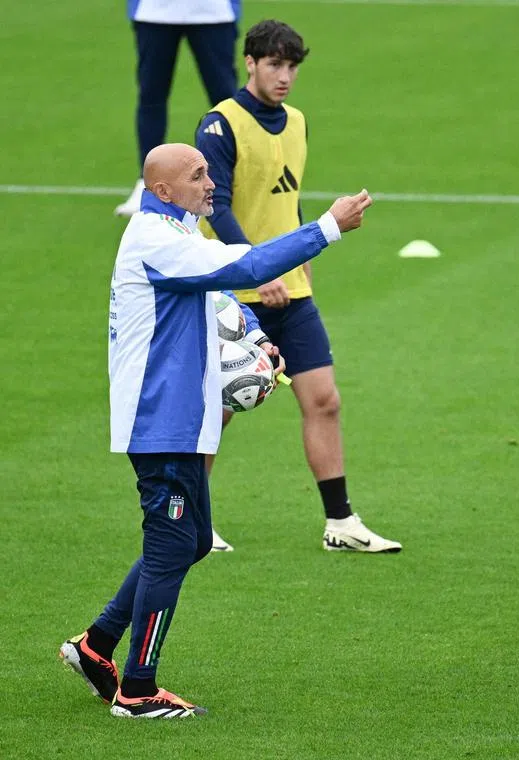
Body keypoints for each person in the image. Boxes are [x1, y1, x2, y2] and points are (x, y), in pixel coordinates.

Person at [59, 143, 372, 717]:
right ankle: (137, 689)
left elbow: (224, 291)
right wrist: (328, 227)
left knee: (192, 540)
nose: (210, 184)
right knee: (172, 544)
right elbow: (246, 267)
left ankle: (96, 645)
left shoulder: (182, 235)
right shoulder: (155, 240)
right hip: (162, 422)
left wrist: (257, 337)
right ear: (162, 191)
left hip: (180, 419)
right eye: (198, 175)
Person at [196, 20, 401, 554]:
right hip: (236, 291)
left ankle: (341, 523)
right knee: (216, 408)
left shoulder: (298, 122)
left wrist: (303, 253)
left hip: (289, 285)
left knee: (324, 400)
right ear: (250, 63)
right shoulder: (220, 125)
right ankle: (194, 521)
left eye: (292, 67)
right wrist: (258, 272)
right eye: (275, 65)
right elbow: (215, 207)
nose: (285, 76)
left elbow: (286, 197)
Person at [116, 0, 241, 217]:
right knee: (151, 96)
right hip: (154, 11)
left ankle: (237, 182)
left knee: (225, 100)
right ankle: (147, 185)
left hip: (213, 10)